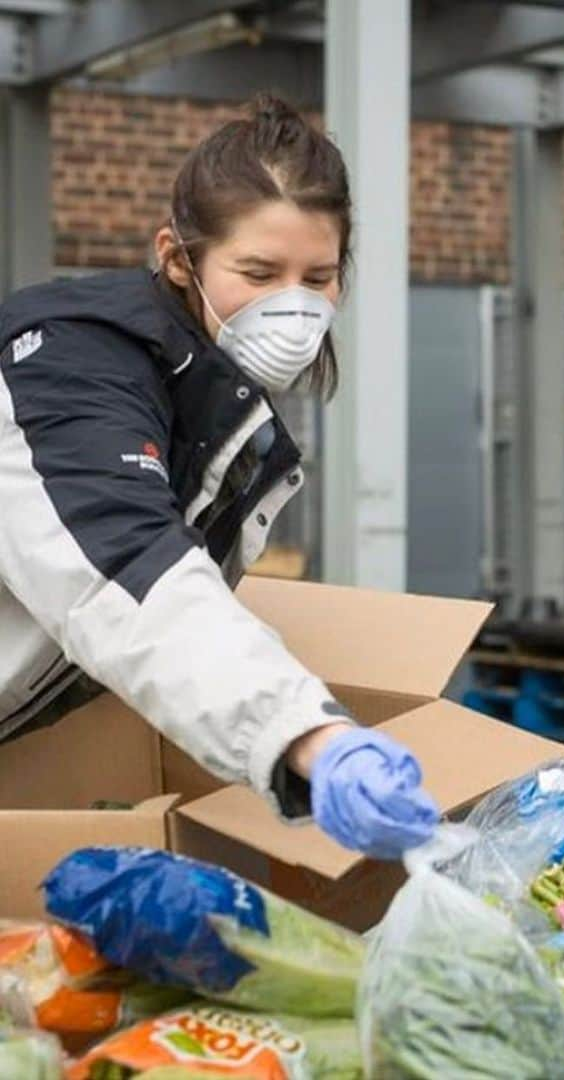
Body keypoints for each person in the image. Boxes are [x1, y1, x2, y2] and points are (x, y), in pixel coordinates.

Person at [0, 94, 437, 858]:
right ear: (177, 257)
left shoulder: (209, 401)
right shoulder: (70, 368)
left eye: (319, 277)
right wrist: (308, 735)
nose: (294, 308)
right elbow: (129, 574)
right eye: (259, 272)